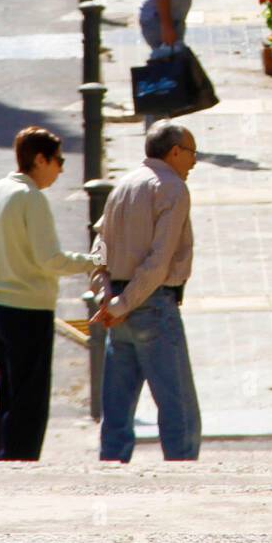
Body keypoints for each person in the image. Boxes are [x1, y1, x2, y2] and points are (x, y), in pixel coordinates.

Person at [0, 127, 98, 460]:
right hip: (29, 311)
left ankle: (3, 457)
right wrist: (94, 262)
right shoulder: (31, 197)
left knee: (8, 391)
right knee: (29, 399)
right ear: (40, 159)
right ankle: (19, 464)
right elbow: (50, 259)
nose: (61, 169)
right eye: (58, 161)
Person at [91, 120, 201, 462]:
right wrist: (123, 303)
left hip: (119, 304)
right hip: (151, 304)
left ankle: (110, 472)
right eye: (193, 153)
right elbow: (159, 260)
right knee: (178, 408)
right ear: (175, 152)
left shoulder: (122, 185)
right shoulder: (172, 188)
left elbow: (99, 250)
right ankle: (183, 480)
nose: (195, 162)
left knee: (118, 408)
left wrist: (105, 296)